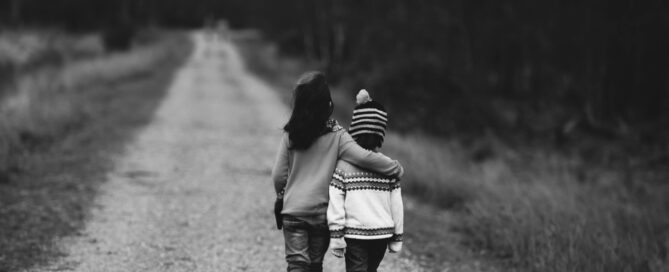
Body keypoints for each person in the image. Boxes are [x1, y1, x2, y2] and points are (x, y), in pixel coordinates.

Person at [271, 72, 404, 272]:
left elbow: (279, 176)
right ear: (328, 105)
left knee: (297, 264)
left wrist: (283, 194)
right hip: (321, 214)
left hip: (294, 211)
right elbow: (364, 157)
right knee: (315, 264)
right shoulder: (338, 136)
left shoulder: (291, 134)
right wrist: (395, 168)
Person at [327, 89, 404, 272]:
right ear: (380, 135)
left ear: (354, 130)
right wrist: (397, 237)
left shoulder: (343, 166)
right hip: (381, 234)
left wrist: (336, 236)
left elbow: (335, 201)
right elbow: (397, 205)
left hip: (355, 235)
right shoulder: (388, 167)